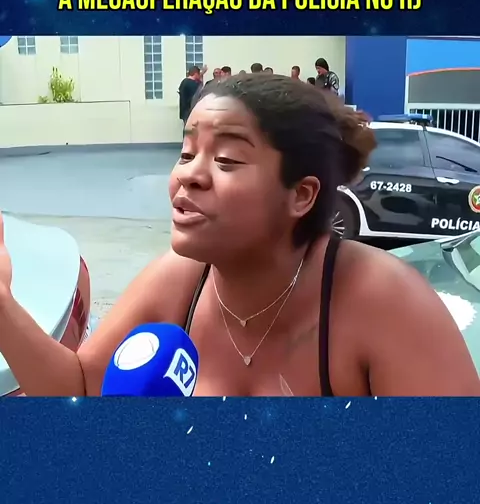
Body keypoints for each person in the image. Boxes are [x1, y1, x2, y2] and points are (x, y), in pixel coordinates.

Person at [0, 75, 478, 397]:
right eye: (186, 153)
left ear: (301, 195)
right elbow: (80, 388)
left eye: (226, 160)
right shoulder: (178, 281)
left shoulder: (386, 301)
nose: (190, 175)